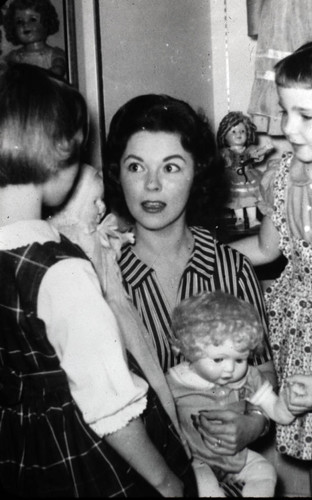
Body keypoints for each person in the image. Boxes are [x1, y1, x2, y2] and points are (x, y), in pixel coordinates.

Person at [0, 63, 197, 497]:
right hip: (85, 456)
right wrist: (165, 480)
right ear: (55, 156)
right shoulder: (62, 271)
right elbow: (111, 405)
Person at [103, 93, 277, 495]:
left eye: (170, 167)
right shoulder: (102, 277)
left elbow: (264, 373)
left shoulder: (231, 269)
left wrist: (253, 423)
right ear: (118, 174)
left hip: (230, 475)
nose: (151, 184)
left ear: (197, 172)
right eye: (135, 167)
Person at [229, 38, 312, 497]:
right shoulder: (286, 175)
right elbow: (265, 247)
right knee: (305, 454)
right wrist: (205, 248)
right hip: (296, 332)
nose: (289, 129)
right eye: (285, 111)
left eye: (306, 115)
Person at [167, 291, 295, 497]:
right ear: (190, 350)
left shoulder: (250, 377)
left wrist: (289, 402)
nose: (229, 369)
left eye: (239, 360)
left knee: (265, 472)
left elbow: (279, 413)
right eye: (218, 360)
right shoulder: (173, 382)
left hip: (236, 457)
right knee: (207, 489)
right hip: (195, 461)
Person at [217, 111, 273, 228]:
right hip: (233, 177)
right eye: (233, 131)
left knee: (251, 199)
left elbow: (256, 154)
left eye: (242, 131)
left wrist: (265, 149)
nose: (238, 134)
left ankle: (253, 219)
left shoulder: (249, 149)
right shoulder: (226, 152)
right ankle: (240, 218)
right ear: (224, 135)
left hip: (249, 176)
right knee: (237, 200)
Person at [2, 0, 66, 77]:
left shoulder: (54, 54)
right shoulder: (15, 56)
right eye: (19, 21)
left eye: (32, 20)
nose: (25, 24)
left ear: (46, 22)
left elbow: (58, 71)